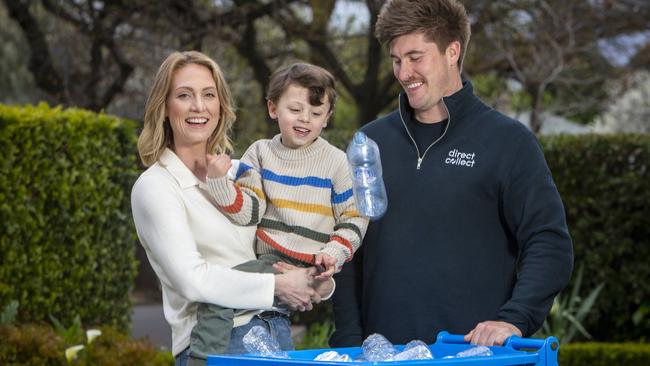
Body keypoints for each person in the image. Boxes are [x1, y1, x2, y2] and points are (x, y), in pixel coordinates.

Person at [330, 0, 574, 348]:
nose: (403, 73)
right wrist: (349, 344)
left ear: (452, 52)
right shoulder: (369, 143)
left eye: (415, 57)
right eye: (397, 60)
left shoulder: (508, 142)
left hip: (470, 354)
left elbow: (549, 242)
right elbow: (346, 248)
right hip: (380, 356)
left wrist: (514, 319)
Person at [131, 51, 332, 366]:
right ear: (165, 108)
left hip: (277, 332)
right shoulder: (155, 186)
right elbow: (191, 279)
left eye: (208, 95)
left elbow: (281, 242)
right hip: (217, 343)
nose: (199, 106)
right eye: (185, 95)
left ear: (220, 106)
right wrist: (278, 285)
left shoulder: (242, 172)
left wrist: (313, 279)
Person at [188, 62, 369, 362]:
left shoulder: (337, 162)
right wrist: (219, 182)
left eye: (316, 113)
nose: (305, 119)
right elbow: (249, 210)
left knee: (217, 295)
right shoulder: (260, 153)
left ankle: (200, 360)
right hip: (270, 261)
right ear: (273, 108)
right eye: (295, 109)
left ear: (327, 118)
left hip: (313, 263)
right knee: (223, 296)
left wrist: (333, 254)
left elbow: (354, 217)